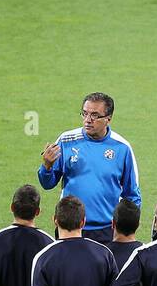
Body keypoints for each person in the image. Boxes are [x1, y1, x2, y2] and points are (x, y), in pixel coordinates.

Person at [37, 92, 141, 243]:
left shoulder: (122, 148)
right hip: (69, 227)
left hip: (106, 230)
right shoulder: (66, 141)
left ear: (108, 119)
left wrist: (125, 230)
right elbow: (47, 184)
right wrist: (46, 167)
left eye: (94, 115)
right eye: (84, 114)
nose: (87, 120)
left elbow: (132, 196)